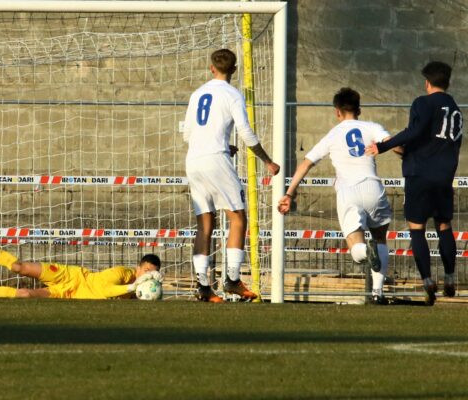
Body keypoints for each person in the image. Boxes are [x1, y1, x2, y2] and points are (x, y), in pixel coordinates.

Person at [278, 88, 397, 304]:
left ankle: (364, 250)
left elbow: (306, 163)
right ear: (359, 109)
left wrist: (289, 193)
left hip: (349, 192)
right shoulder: (371, 127)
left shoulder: (333, 135)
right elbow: (395, 145)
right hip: (373, 187)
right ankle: (378, 293)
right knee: (380, 239)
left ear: (337, 112)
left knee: (355, 248)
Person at [183, 48, 280, 303]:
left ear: (211, 68)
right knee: (238, 219)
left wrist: (223, 145)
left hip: (193, 160)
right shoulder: (233, 94)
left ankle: (203, 286)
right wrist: (267, 160)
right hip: (216, 160)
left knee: (205, 223)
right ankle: (232, 280)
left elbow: (187, 134)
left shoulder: (197, 94)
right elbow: (246, 132)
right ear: (234, 70)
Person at [366, 61, 463, 306]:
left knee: (417, 228)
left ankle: (428, 280)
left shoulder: (422, 102)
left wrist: (383, 146)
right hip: (444, 177)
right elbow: (438, 142)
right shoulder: (455, 109)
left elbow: (415, 130)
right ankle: (451, 276)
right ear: (447, 82)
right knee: (444, 226)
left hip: (420, 175)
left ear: (427, 82)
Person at [0, 239, 162, 299]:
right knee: (19, 267)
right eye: (146, 271)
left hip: (71, 293)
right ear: (138, 268)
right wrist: (132, 287)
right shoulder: (123, 274)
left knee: (26, 294)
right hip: (72, 275)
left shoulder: (138, 291)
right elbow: (104, 290)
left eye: (151, 273)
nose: (147, 276)